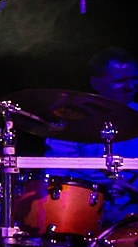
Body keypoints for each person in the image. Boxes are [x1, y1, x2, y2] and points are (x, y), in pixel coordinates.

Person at [45, 46, 138, 220]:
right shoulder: (72, 121)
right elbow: (55, 173)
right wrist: (105, 185)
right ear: (96, 84)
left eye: (134, 79)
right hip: (82, 211)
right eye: (120, 80)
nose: (130, 86)